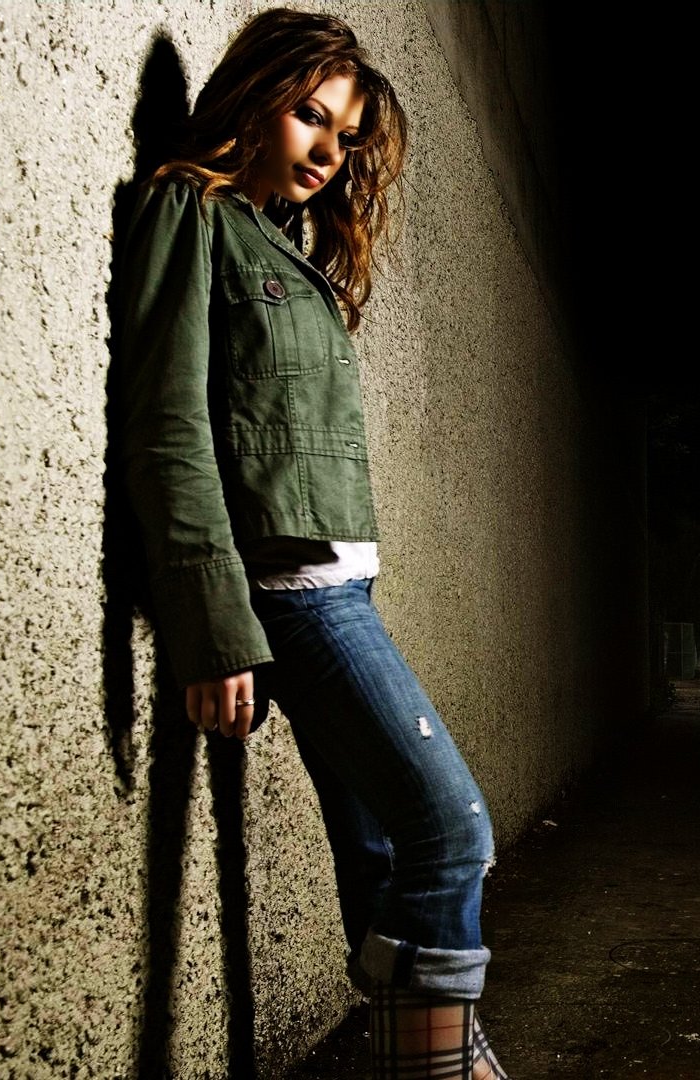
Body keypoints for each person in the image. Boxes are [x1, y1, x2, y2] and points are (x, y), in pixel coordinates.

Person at [115, 9, 507, 1078]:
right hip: (292, 597)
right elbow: (167, 427)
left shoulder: (280, 249)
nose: (330, 152)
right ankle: (438, 1070)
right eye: (310, 116)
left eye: (345, 133)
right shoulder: (185, 213)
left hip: (339, 586)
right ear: (251, 97)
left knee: (383, 859)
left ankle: (426, 1056)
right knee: (451, 830)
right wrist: (212, 627)